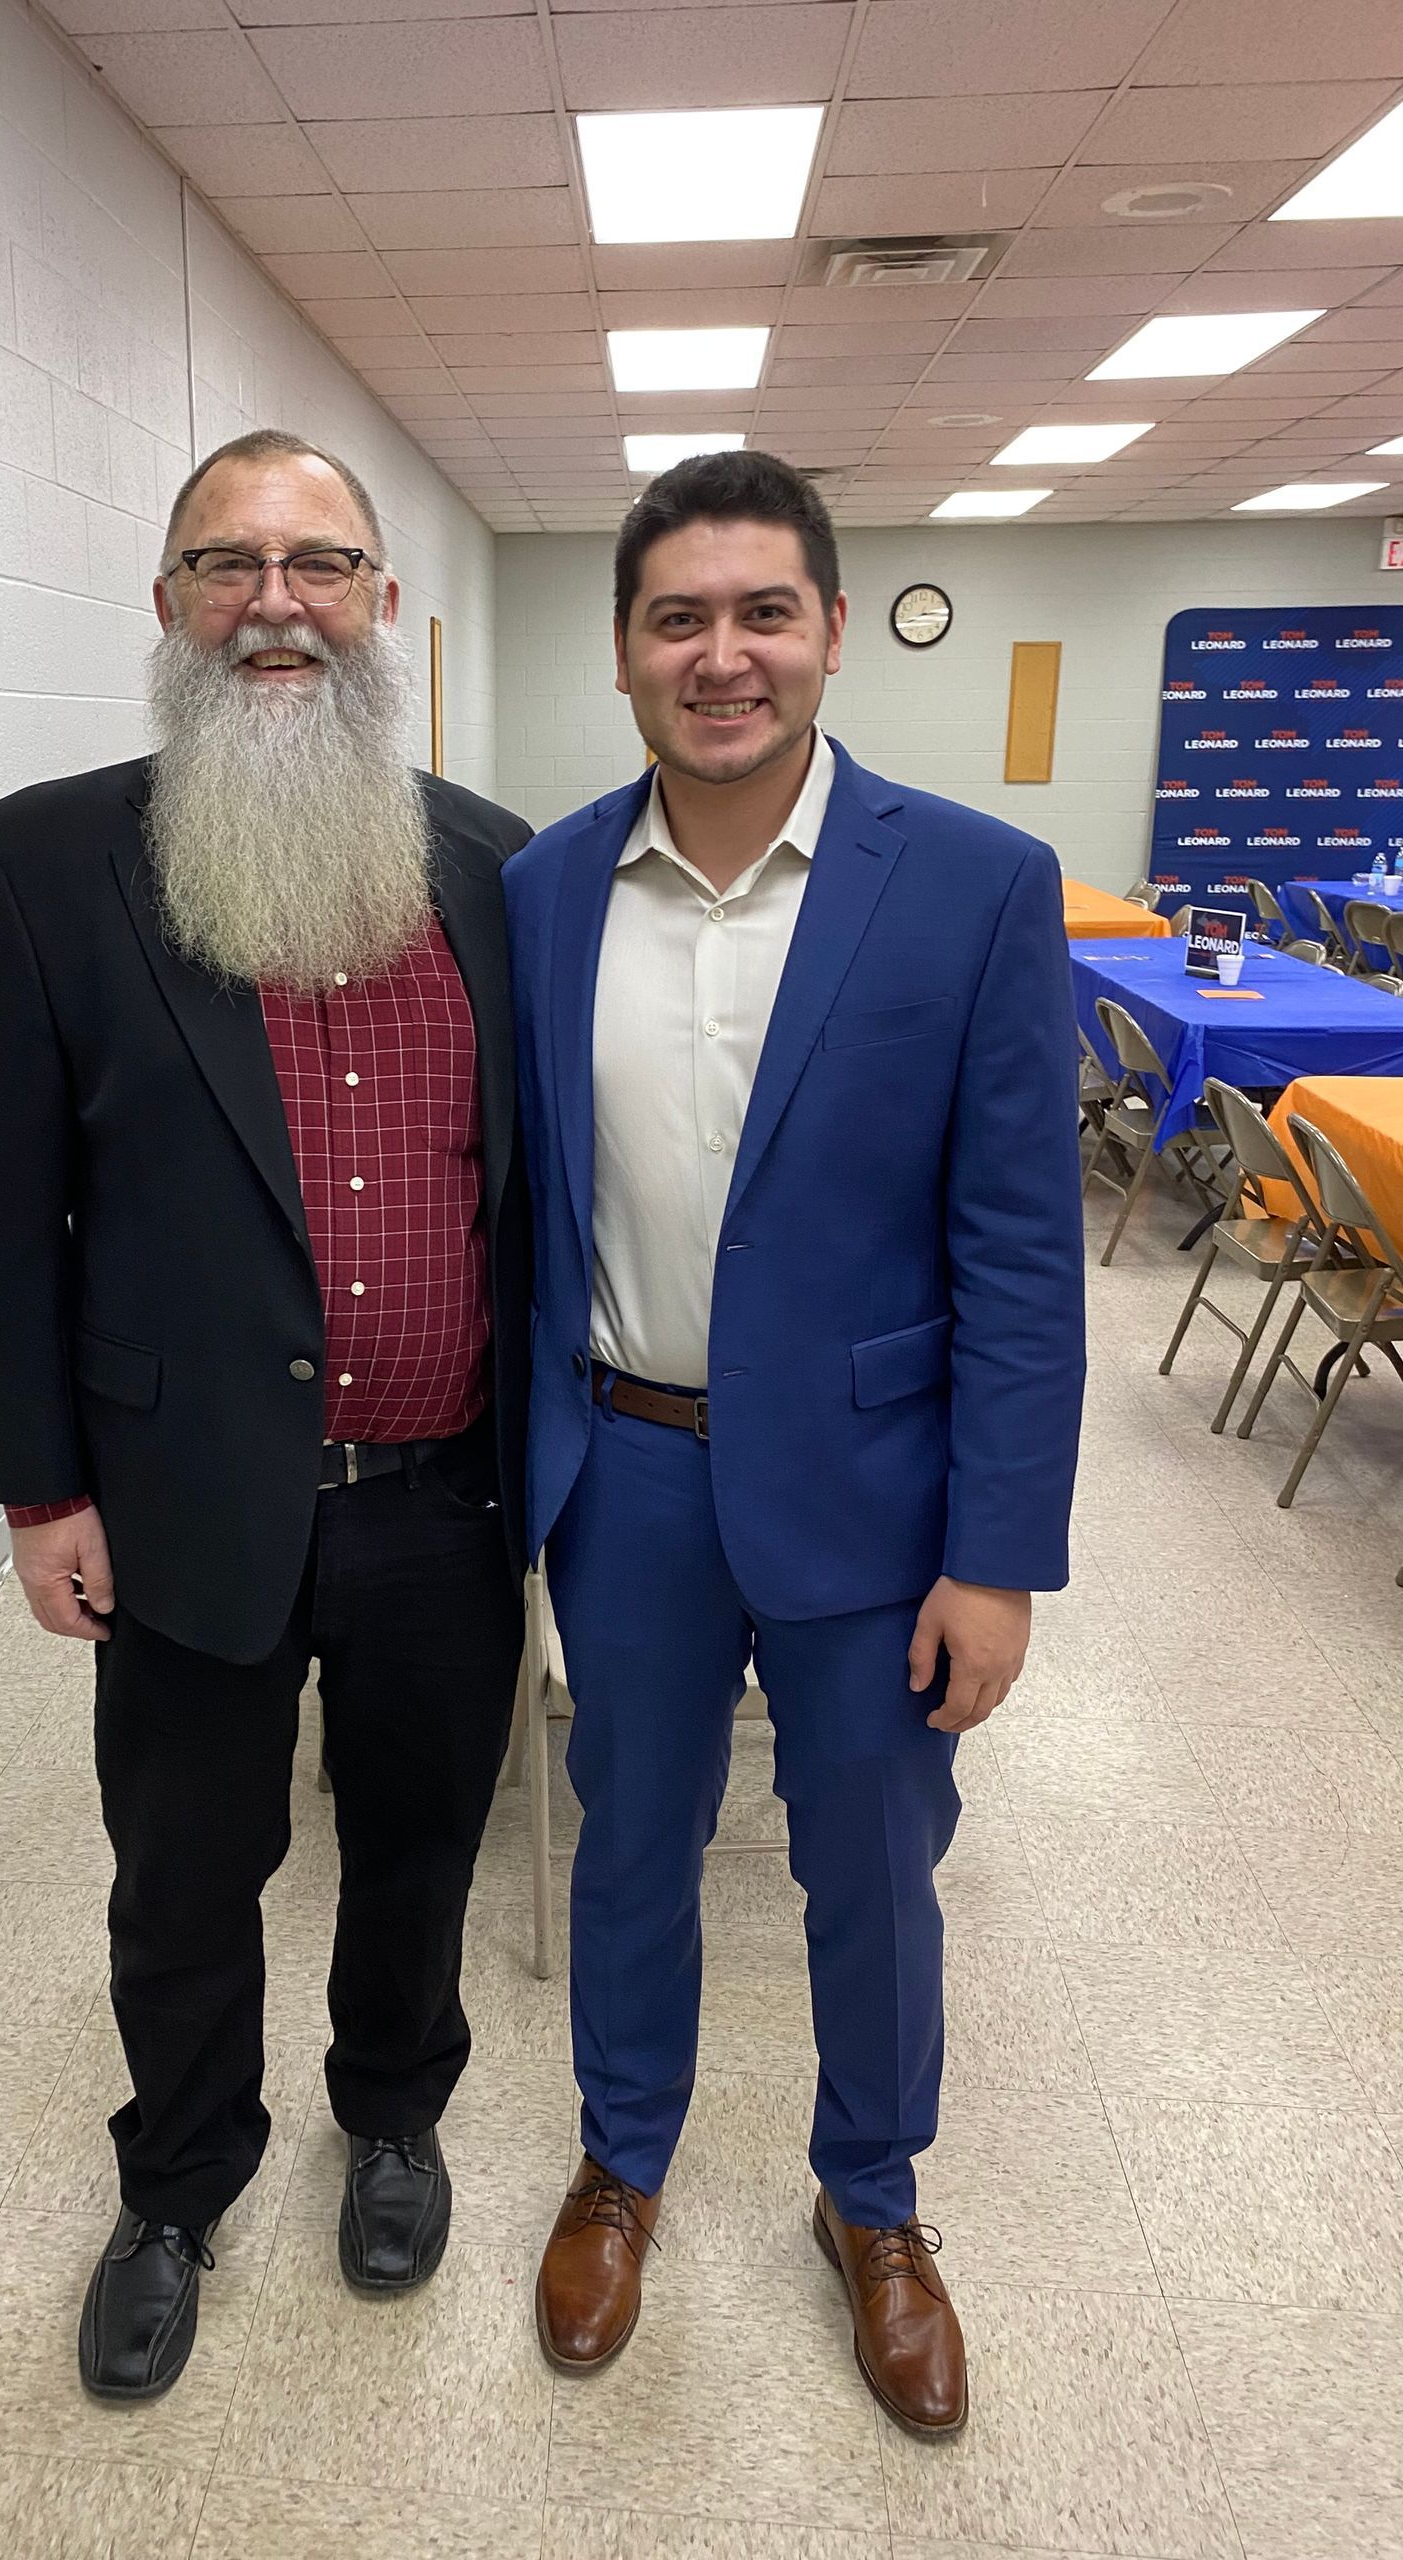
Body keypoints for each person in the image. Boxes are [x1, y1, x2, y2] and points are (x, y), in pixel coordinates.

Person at [0, 428, 533, 2402]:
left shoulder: (498, 864)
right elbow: (0, 1198)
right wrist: (37, 1486)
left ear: (381, 604)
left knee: (417, 1843)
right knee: (184, 1866)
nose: (274, 600)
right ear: (170, 605)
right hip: (182, 1490)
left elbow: (527, 1185)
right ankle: (179, 2176)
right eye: (227, 561)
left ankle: (395, 2114)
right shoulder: (42, 860)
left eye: (318, 561)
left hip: (440, 1489)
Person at [504, 450, 1085, 2433]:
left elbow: (1023, 1250)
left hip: (879, 1494)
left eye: (763, 611)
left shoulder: (979, 887)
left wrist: (998, 1551)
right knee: (631, 1847)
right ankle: (623, 2156)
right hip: (633, 1471)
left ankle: (877, 2201)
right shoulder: (542, 886)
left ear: (832, 631)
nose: (723, 653)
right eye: (680, 617)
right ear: (623, 655)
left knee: (871, 1867)